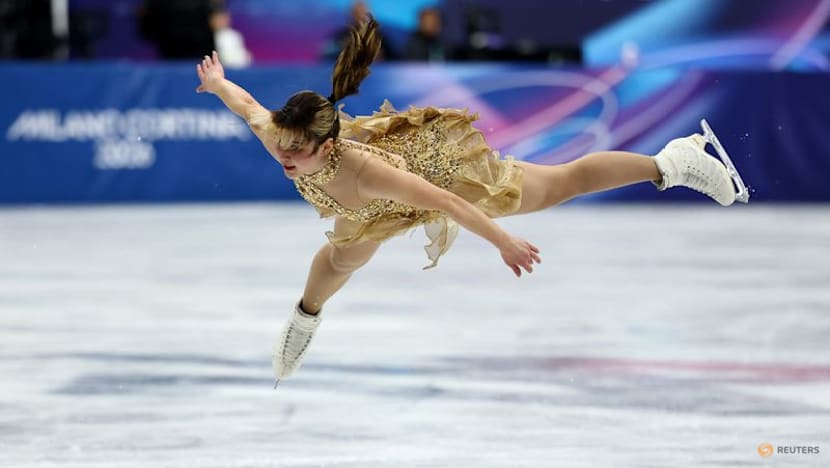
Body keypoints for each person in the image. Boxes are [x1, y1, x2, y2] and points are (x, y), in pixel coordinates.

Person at [195, 18, 745, 386]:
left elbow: (446, 204)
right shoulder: (280, 136)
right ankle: (304, 317)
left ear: (328, 145)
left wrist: (502, 239)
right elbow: (247, 105)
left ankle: (673, 162)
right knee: (342, 255)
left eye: (297, 151)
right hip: (366, 205)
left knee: (558, 185)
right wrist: (218, 83)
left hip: (443, 173)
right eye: (283, 147)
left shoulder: (369, 171)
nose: (285, 158)